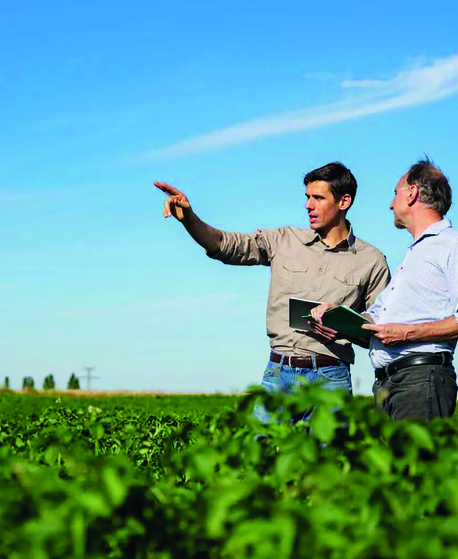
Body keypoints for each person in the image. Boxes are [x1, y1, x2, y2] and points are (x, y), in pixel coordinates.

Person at [155, 162, 390, 421]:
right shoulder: (283, 240)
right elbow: (226, 245)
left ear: (344, 201)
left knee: (328, 461)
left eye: (318, 198)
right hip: (279, 374)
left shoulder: (372, 260)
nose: (308, 205)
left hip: (331, 379)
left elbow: (382, 327)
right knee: (260, 457)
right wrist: (189, 218)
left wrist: (345, 327)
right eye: (307, 197)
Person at [313, 157, 458, 421]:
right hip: (389, 384)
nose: (391, 203)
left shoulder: (455, 243)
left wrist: (407, 333)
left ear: (412, 193)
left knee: (415, 463)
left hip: (421, 380)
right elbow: (377, 319)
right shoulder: (414, 254)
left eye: (395, 193)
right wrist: (339, 318)